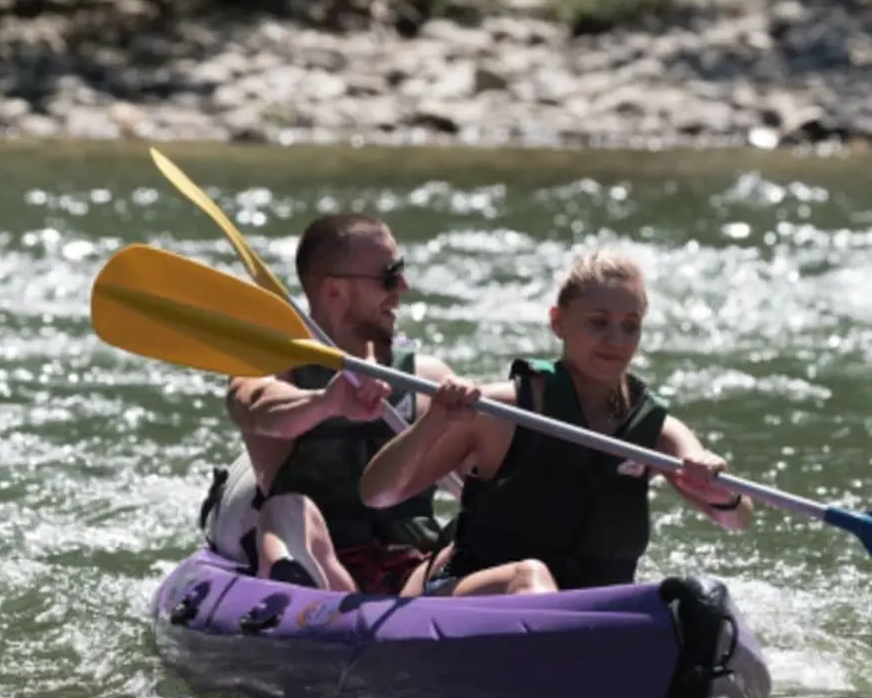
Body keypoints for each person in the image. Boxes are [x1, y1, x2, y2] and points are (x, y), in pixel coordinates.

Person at [358, 249, 754, 597]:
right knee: (531, 579)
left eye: (629, 325)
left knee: (692, 601)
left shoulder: (654, 430)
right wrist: (435, 422)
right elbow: (377, 493)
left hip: (579, 612)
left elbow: (737, 519)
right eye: (598, 322)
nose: (616, 339)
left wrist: (715, 486)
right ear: (558, 322)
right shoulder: (500, 411)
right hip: (470, 593)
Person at [199, 212, 458, 595]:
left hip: (413, 573)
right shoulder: (272, 368)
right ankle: (308, 600)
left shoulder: (429, 379)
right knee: (289, 510)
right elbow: (254, 405)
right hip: (322, 568)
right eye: (389, 275)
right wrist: (326, 402)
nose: (403, 286)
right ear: (334, 290)